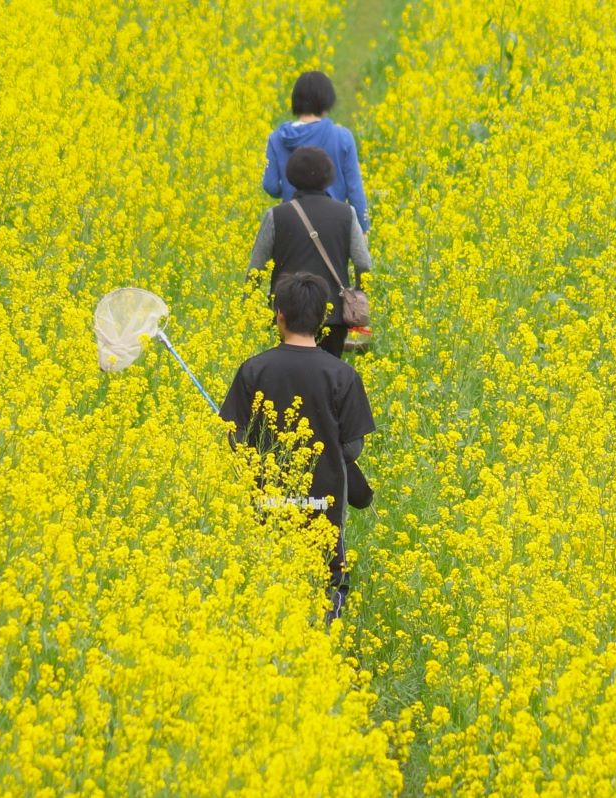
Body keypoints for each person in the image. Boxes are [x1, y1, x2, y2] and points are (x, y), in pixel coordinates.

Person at [219, 272, 375, 622]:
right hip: (325, 503)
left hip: (266, 501)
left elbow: (235, 437)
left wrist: (268, 458)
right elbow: (353, 445)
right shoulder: (342, 375)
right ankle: (323, 642)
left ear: (279, 315)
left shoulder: (253, 370)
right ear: (322, 321)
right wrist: (323, 459)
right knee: (326, 578)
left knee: (267, 575)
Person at [250, 146, 371, 357]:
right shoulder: (346, 214)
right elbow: (363, 263)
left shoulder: (276, 215)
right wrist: (359, 291)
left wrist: (247, 305)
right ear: (329, 177)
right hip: (331, 314)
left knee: (287, 380)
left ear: (291, 177)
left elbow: (256, 267)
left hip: (287, 313)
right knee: (329, 379)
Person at [262, 70, 371, 234]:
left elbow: (270, 186)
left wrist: (287, 187)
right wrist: (362, 230)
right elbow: (354, 189)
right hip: (333, 228)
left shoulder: (277, 138)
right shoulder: (342, 137)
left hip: (293, 226)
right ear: (327, 100)